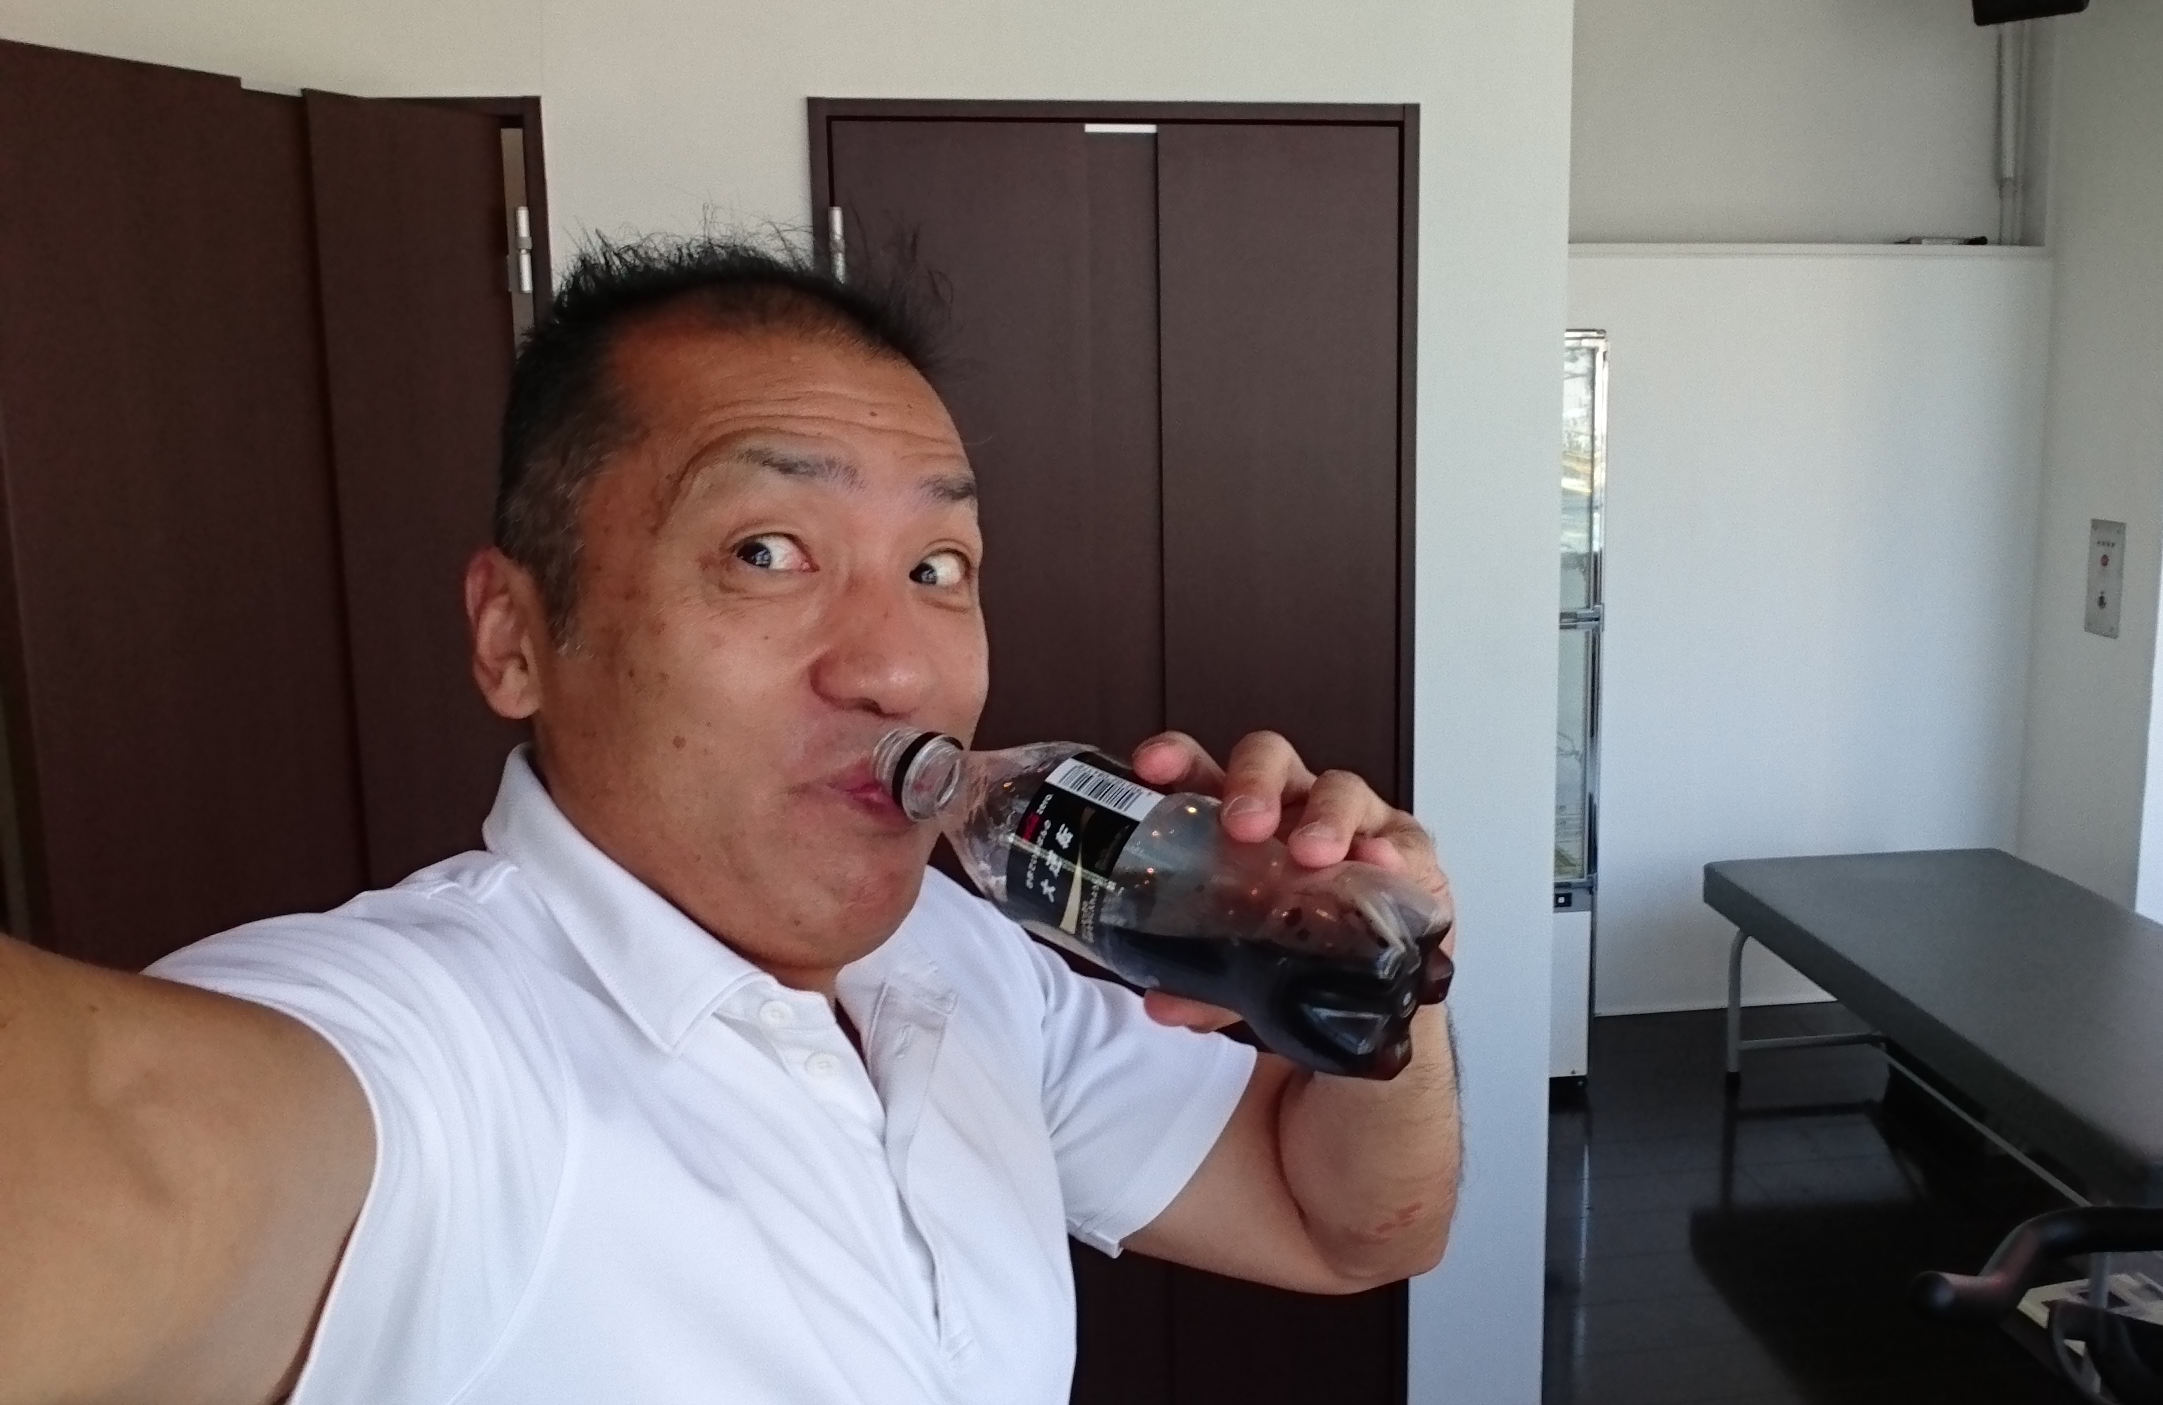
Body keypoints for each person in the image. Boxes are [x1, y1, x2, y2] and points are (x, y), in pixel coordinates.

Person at [0, 237, 1460, 1404]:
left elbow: (1343, 1227)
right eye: (767, 550)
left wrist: (1380, 963)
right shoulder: (437, 1050)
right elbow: (126, 1134)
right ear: (514, 637)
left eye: (938, 567)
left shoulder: (959, 961)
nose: (897, 668)